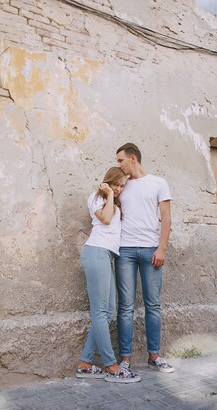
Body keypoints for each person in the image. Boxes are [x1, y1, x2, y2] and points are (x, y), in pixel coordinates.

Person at [76, 167, 141, 383]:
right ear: (109, 182)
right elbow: (104, 219)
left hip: (107, 256)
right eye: (117, 184)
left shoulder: (115, 201)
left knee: (109, 311)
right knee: (100, 312)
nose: (119, 189)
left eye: (122, 186)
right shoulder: (96, 197)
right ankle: (112, 367)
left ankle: (85, 364)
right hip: (96, 252)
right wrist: (110, 194)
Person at [115, 143, 175, 373]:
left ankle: (154, 356)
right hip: (125, 251)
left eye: (120, 160)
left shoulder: (158, 183)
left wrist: (162, 249)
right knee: (126, 307)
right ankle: (126, 361)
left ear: (133, 158)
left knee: (153, 305)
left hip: (151, 250)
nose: (118, 164)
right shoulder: (122, 185)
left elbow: (166, 219)